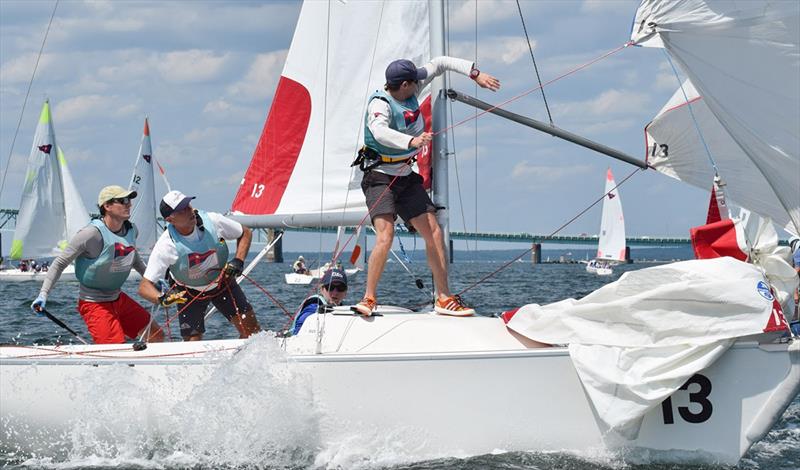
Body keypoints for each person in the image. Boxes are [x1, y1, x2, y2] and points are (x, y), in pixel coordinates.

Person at [352, 57, 500, 317]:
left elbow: (441, 63)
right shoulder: (380, 104)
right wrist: (412, 141)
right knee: (385, 236)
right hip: (379, 177)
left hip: (406, 176)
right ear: (405, 84)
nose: (421, 81)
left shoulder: (413, 88)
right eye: (415, 80)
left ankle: (444, 297)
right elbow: (379, 132)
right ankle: (369, 298)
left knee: (433, 232)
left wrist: (475, 74)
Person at [30, 185, 165, 344]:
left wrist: (153, 279)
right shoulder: (90, 235)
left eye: (129, 200)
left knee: (156, 334)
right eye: (123, 201)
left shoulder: (131, 230)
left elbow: (133, 258)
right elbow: (59, 263)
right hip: (94, 303)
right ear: (107, 206)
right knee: (114, 350)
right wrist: (43, 294)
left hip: (118, 298)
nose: (129, 204)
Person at [138, 190, 261, 341]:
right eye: (182, 209)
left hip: (223, 283)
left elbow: (245, 233)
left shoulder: (213, 220)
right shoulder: (165, 245)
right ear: (170, 219)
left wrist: (238, 260)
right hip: (188, 293)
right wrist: (163, 298)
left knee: (252, 333)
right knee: (192, 342)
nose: (189, 210)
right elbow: (144, 287)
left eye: (188, 205)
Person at [291, 268, 348, 335]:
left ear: (346, 292)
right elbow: (300, 328)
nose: (335, 293)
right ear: (322, 289)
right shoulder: (313, 306)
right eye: (331, 287)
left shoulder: (345, 309)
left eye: (340, 288)